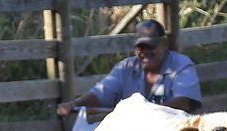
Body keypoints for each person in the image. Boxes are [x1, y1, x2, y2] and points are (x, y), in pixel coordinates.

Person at [56, 19, 203, 117]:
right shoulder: (125, 67)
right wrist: (74, 104)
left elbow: (184, 102)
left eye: (150, 46)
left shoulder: (181, 65)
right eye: (140, 47)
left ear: (165, 43)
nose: (145, 52)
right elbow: (101, 94)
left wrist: (147, 114)